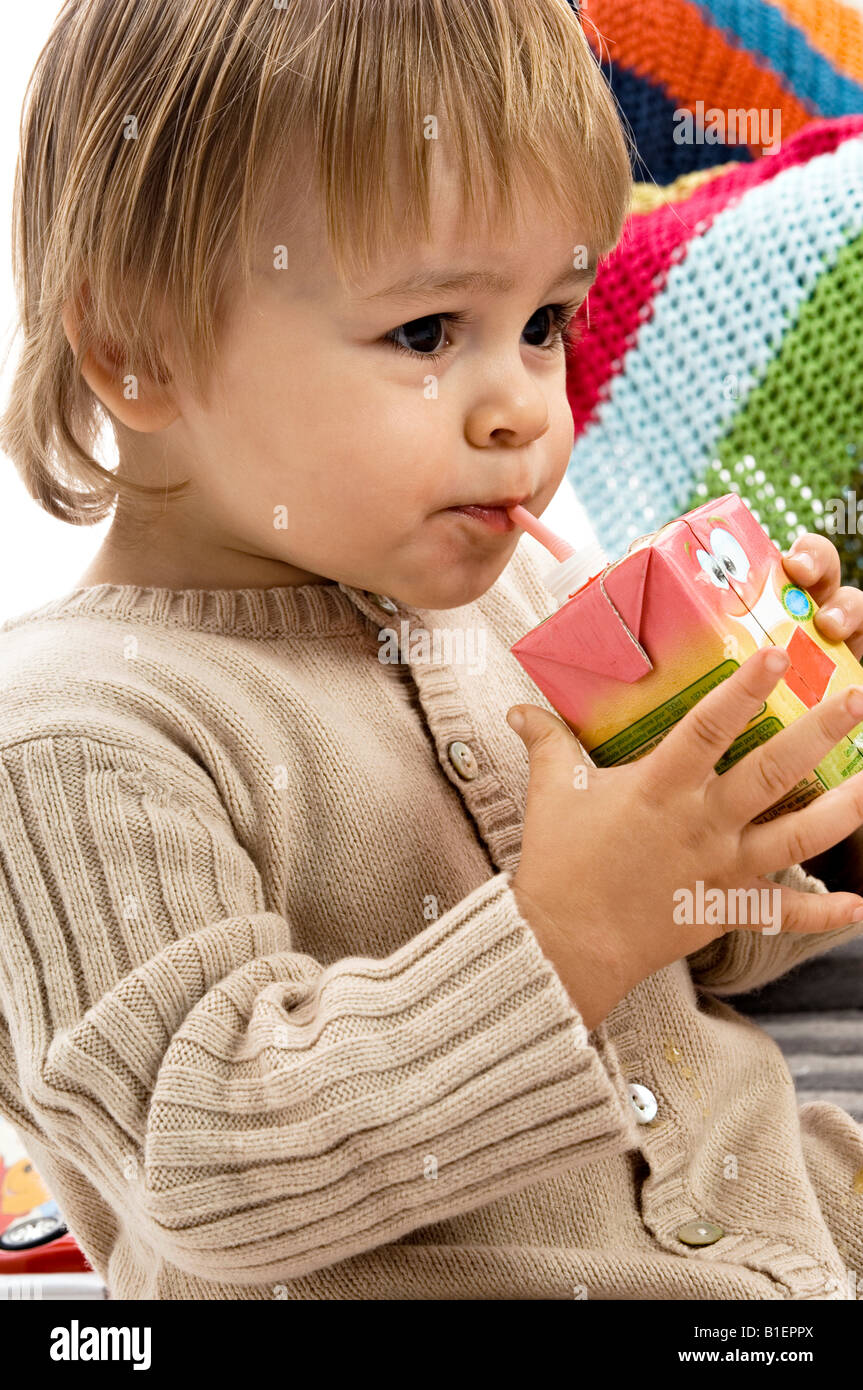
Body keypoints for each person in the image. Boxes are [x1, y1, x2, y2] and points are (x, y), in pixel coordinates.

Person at [0, 0, 860, 1301]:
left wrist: (776, 790)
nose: (526, 406)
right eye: (426, 332)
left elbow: (683, 955)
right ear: (138, 347)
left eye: (546, 322)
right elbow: (207, 1174)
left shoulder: (515, 605)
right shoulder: (79, 733)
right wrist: (563, 936)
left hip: (796, 1211)